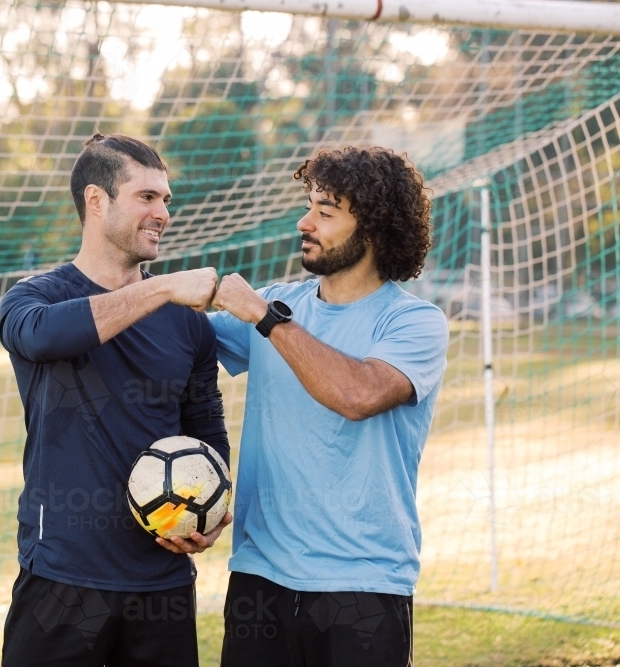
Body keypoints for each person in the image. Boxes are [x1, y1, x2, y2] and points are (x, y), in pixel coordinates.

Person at [0, 133, 232, 667]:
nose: (163, 213)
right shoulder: (34, 298)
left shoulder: (187, 324)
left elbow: (205, 429)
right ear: (96, 201)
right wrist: (161, 289)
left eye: (166, 199)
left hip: (162, 582)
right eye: (146, 197)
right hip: (60, 578)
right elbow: (42, 338)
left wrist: (213, 510)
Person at [209, 146, 449, 667]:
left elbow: (358, 394)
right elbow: (171, 348)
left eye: (325, 211)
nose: (305, 221)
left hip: (363, 588)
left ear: (374, 228)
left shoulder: (414, 323)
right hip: (258, 579)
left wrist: (265, 319)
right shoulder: (277, 300)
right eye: (308, 206)